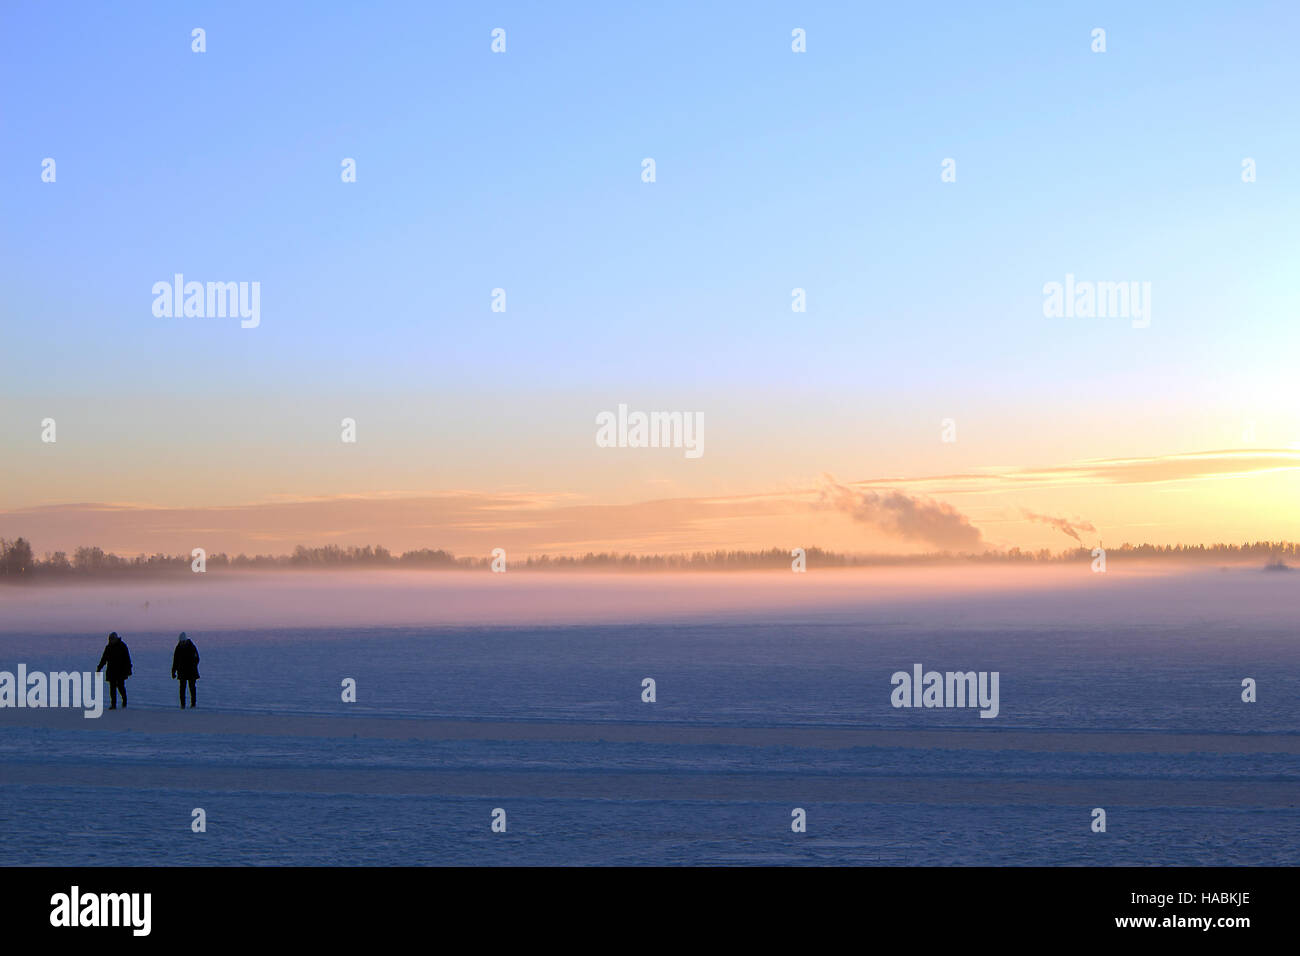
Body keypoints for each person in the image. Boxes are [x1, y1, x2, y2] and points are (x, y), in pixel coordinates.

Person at [96, 632, 132, 710]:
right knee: (112, 688)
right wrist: (99, 668)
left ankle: (124, 701)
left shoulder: (122, 646)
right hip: (111, 671)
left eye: (112, 639)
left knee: (120, 687)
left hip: (121, 671)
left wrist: (129, 670)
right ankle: (113, 704)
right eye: (110, 639)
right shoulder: (108, 647)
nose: (111, 641)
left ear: (116, 639)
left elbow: (127, 659)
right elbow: (104, 658)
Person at [171, 632, 200, 709]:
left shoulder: (192, 647)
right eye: (181, 642)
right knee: (182, 689)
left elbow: (197, 659)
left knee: (192, 688)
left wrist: (192, 666)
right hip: (182, 672)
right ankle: (182, 705)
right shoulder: (178, 648)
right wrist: (173, 671)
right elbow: (175, 660)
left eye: (183, 641)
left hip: (191, 672)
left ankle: (193, 704)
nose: (182, 643)